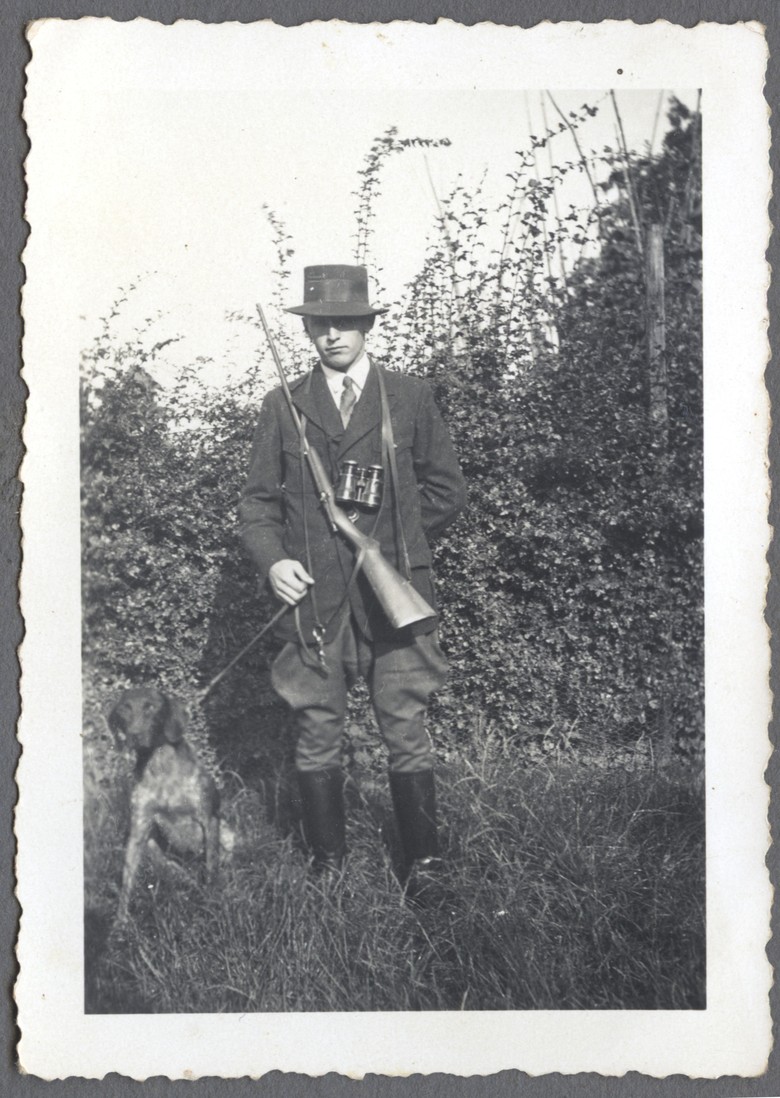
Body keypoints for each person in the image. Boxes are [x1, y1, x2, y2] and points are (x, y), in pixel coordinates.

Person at [239, 264, 466, 891]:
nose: (332, 334)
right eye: (319, 324)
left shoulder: (409, 397)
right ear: (308, 330)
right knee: (317, 730)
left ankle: (425, 865)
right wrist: (274, 561)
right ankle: (328, 869)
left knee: (406, 728)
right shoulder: (283, 406)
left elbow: (446, 491)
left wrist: (396, 553)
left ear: (367, 324)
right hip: (316, 600)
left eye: (344, 322)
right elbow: (257, 505)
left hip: (396, 598)